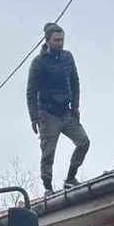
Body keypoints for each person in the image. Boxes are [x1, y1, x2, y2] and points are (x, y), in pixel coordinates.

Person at [27, 23, 89, 193]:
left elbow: (75, 81)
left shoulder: (68, 57)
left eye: (62, 40)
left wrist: (75, 105)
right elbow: (31, 91)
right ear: (47, 41)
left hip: (67, 111)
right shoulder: (38, 63)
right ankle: (47, 186)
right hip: (47, 113)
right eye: (56, 40)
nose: (60, 43)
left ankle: (70, 177)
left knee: (83, 142)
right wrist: (34, 117)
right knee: (48, 154)